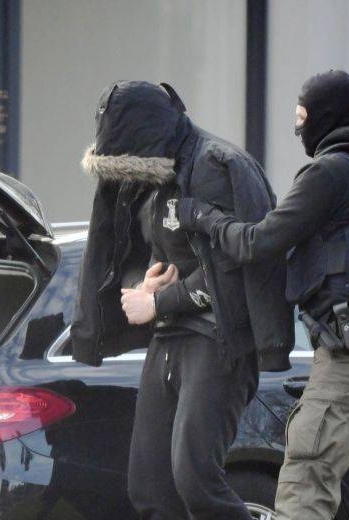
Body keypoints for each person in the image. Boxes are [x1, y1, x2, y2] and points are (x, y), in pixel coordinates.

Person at [179, 70, 349, 519]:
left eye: (302, 115)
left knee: (306, 478)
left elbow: (256, 243)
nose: (297, 127)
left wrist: (203, 217)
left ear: (325, 116)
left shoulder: (331, 173)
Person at [71, 80, 293, 519]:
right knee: (150, 489)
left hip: (217, 342)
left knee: (196, 481)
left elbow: (236, 274)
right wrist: (142, 287)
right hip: (168, 340)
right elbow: (145, 253)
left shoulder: (217, 167)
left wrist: (159, 302)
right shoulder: (150, 175)